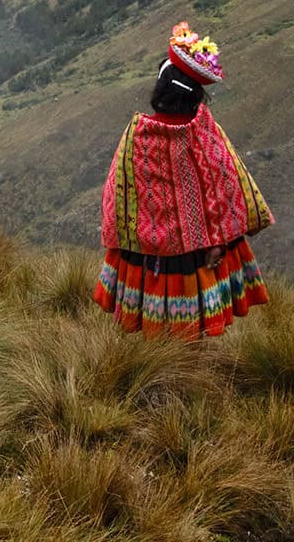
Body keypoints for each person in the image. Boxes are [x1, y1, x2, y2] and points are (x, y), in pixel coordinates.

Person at [94, 21, 271, 338]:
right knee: (192, 331)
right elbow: (226, 183)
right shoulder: (204, 131)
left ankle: (159, 367)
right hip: (198, 255)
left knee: (156, 332)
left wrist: (133, 236)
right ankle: (185, 368)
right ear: (195, 99)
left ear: (159, 92)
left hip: (147, 257)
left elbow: (118, 195)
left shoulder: (138, 136)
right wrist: (217, 240)